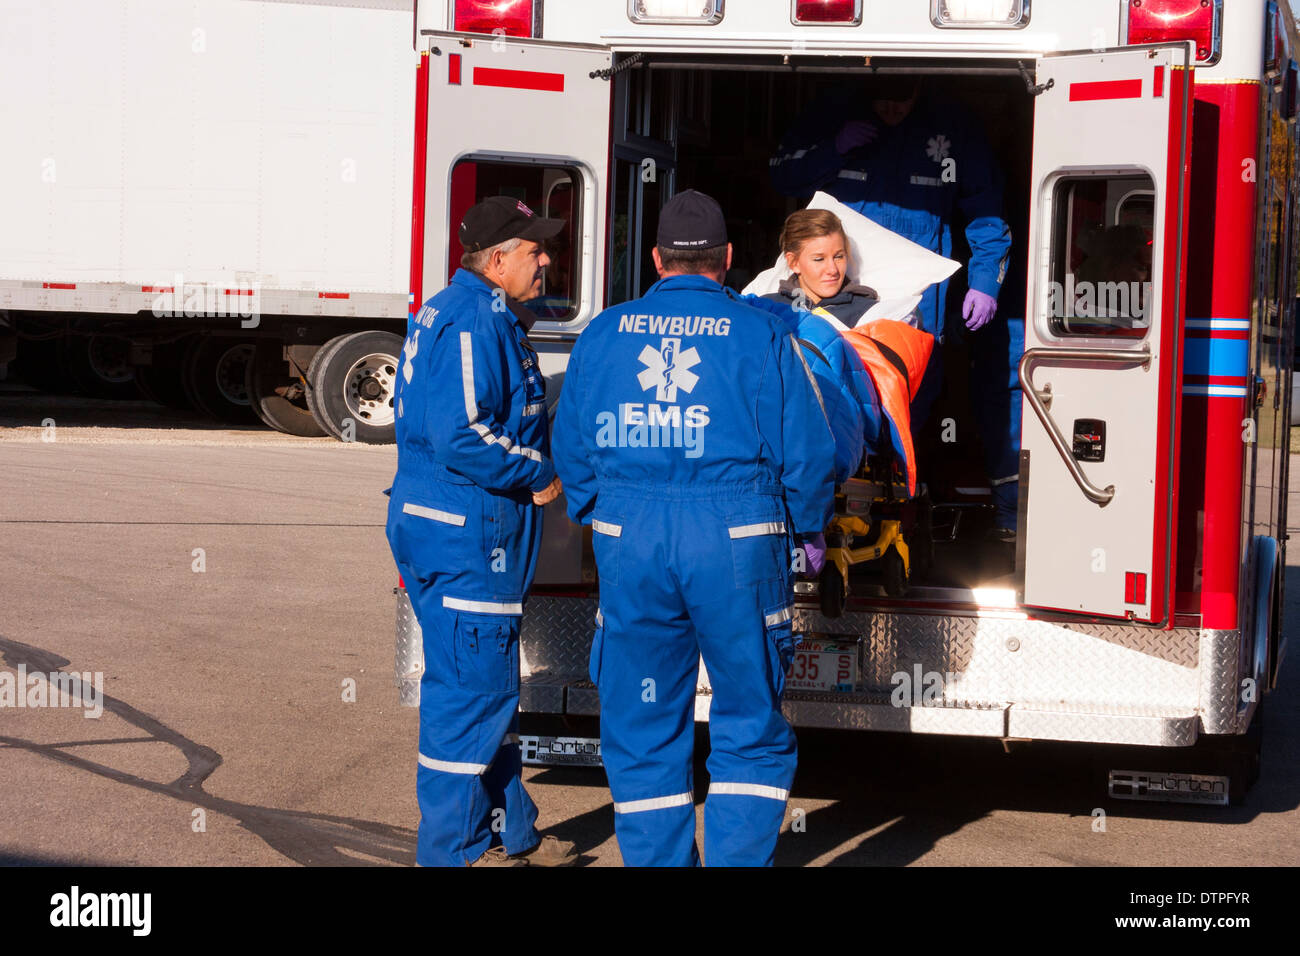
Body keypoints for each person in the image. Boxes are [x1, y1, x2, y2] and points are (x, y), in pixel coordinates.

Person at [552, 190, 836, 866]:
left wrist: (602, 516)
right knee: (748, 719)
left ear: (656, 259)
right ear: (728, 258)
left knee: (642, 722)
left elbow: (571, 445)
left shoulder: (604, 332)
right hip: (736, 540)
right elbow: (807, 451)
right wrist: (808, 528)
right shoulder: (763, 334)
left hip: (632, 539)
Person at [385, 195, 577, 867]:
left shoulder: (467, 309)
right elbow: (463, 434)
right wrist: (537, 471)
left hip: (449, 527)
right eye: (534, 250)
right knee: (471, 699)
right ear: (498, 260)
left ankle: (509, 832)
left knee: (485, 688)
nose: (545, 260)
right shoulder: (473, 319)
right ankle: (451, 853)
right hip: (468, 535)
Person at [770, 75, 1019, 537]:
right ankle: (817, 519)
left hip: (915, 309)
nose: (891, 113)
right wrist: (833, 149)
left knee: (906, 417)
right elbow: (782, 174)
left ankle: (896, 520)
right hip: (833, 303)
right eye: (882, 104)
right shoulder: (833, 112)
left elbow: (987, 212)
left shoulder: (951, 126)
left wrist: (985, 282)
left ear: (918, 92)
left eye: (900, 104)